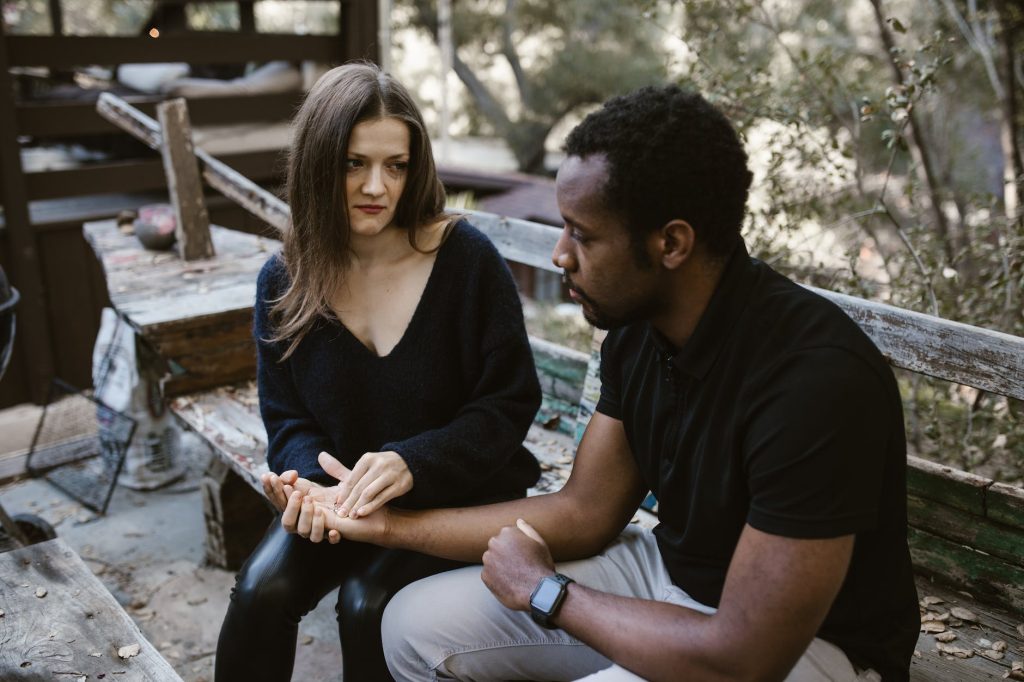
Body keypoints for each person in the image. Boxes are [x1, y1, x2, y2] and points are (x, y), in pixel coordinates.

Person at [278, 85, 921, 681]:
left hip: (806, 648)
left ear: (671, 243)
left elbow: (743, 656)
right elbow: (585, 513)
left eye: (582, 235)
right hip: (669, 575)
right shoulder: (640, 332)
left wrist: (547, 591)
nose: (560, 254)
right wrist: (388, 528)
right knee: (410, 627)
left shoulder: (814, 382)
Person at [214, 62, 543, 682]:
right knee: (262, 591)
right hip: (343, 498)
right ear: (318, 163)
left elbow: (508, 404)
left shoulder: (466, 261)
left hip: (457, 495)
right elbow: (287, 418)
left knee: (367, 605)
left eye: (396, 165)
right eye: (353, 163)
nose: (377, 186)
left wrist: (412, 462)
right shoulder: (285, 279)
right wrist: (311, 486)